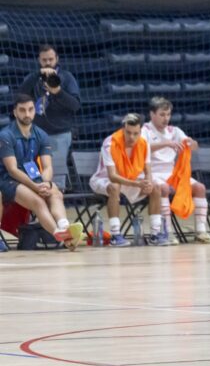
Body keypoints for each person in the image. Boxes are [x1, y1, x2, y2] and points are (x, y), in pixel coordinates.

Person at [0, 94, 83, 250]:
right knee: (38, 201)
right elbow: (12, 169)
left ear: (34, 110)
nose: (27, 114)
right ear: (15, 112)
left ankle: (65, 228)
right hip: (8, 180)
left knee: (55, 192)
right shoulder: (6, 135)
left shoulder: (41, 134)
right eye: (22, 110)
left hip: (33, 180)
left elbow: (47, 167)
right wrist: (35, 186)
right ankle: (59, 235)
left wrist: (44, 183)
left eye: (30, 109)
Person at [142, 97, 210, 245]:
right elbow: (141, 149)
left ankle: (201, 232)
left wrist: (192, 143)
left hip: (172, 173)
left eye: (168, 114)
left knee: (200, 188)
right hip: (152, 172)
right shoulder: (145, 130)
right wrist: (165, 143)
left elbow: (193, 146)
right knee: (163, 188)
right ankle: (167, 232)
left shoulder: (175, 131)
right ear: (152, 114)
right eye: (162, 114)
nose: (166, 118)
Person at [89, 113, 167, 247]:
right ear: (123, 129)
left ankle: (155, 234)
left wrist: (148, 183)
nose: (132, 137)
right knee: (115, 186)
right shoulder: (110, 143)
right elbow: (112, 176)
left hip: (130, 180)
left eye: (135, 133)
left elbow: (148, 170)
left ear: (141, 131)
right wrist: (137, 184)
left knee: (156, 187)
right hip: (103, 179)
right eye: (128, 133)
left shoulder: (144, 144)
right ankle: (115, 235)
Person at [16, 44, 81, 169]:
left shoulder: (66, 77)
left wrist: (58, 92)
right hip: (34, 134)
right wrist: (37, 75)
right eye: (44, 60)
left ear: (57, 59)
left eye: (51, 59)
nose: (48, 63)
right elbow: (19, 96)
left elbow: (75, 105)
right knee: (32, 171)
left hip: (59, 134)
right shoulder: (32, 78)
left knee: (57, 172)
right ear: (39, 60)